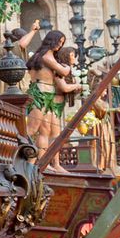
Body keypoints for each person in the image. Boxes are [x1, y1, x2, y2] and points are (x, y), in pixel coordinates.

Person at [26, 29, 81, 162]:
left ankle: (40, 162)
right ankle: (17, 157)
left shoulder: (44, 55)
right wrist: (67, 64)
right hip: (40, 93)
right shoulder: (46, 56)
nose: (60, 45)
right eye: (59, 41)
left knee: (45, 129)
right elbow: (64, 71)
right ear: (51, 40)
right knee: (32, 129)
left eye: (62, 43)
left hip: (47, 94)